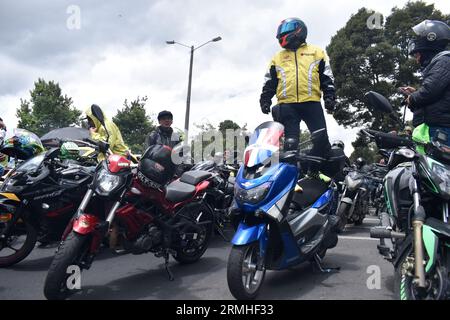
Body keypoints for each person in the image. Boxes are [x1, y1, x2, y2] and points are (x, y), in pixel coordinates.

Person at [260, 17, 336, 178]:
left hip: (311, 104)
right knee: (290, 146)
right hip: (287, 106)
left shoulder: (317, 52)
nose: (281, 34)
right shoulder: (277, 57)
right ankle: (291, 179)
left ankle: (315, 173)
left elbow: (327, 77)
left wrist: (330, 97)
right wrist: (265, 99)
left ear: (299, 30)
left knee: (321, 140)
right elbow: (270, 81)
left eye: (285, 29)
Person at [401, 20, 450, 145]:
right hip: (435, 127)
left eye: (417, 55)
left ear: (431, 37)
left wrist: (412, 98)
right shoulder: (439, 63)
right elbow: (434, 94)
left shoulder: (444, 61)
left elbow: (430, 91)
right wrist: (416, 93)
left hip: (441, 129)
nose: (417, 59)